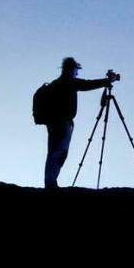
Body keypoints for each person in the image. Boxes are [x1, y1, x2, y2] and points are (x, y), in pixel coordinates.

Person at [41, 56, 117, 189]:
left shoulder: (56, 83)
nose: (76, 74)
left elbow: (85, 84)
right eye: (76, 71)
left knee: (55, 151)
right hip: (61, 122)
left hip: (55, 122)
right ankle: (51, 184)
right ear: (72, 69)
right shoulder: (67, 82)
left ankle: (51, 182)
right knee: (58, 152)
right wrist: (108, 81)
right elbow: (87, 84)